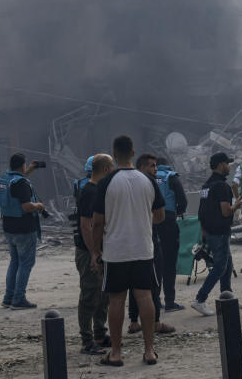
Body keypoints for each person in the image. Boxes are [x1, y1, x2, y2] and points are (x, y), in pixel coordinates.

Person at [91, 136, 165, 366]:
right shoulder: (148, 180)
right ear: (133, 153)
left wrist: (95, 251)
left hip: (116, 251)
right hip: (143, 248)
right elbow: (160, 216)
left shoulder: (105, 183)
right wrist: (141, 221)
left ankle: (115, 353)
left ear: (114, 154)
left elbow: (98, 222)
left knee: (116, 301)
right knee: (145, 297)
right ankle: (150, 350)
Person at [128, 153, 176, 335]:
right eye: (151, 166)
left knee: (133, 282)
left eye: (156, 166)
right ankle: (155, 322)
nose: (155, 170)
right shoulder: (150, 184)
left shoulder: (126, 184)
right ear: (141, 167)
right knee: (154, 282)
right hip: (148, 240)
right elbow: (160, 216)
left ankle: (133, 321)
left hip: (129, 241)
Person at [191, 152, 242, 316]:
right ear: (221, 164)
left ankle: (227, 295)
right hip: (219, 232)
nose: (229, 166)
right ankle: (199, 299)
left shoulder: (206, 185)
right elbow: (226, 212)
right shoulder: (221, 186)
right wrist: (237, 205)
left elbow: (201, 212)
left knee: (227, 264)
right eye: (228, 163)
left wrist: (204, 233)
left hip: (210, 231)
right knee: (220, 265)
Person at [0, 152, 45, 310]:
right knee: (25, 264)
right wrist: (39, 206)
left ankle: (8, 298)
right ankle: (18, 300)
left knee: (15, 262)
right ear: (23, 165)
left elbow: (17, 182)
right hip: (24, 229)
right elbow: (26, 206)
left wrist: (30, 169)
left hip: (9, 228)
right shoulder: (21, 184)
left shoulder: (5, 179)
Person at [75, 153, 113, 354]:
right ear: (105, 169)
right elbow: (86, 225)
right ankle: (86, 340)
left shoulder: (97, 190)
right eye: (112, 167)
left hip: (100, 250)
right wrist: (93, 252)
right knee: (89, 295)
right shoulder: (90, 191)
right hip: (88, 251)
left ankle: (100, 333)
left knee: (103, 294)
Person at [155, 156, 188, 311]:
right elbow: (183, 202)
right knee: (169, 262)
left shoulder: (148, 178)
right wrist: (176, 213)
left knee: (154, 262)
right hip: (168, 220)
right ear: (166, 165)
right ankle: (169, 302)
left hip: (150, 221)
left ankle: (155, 302)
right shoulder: (171, 177)